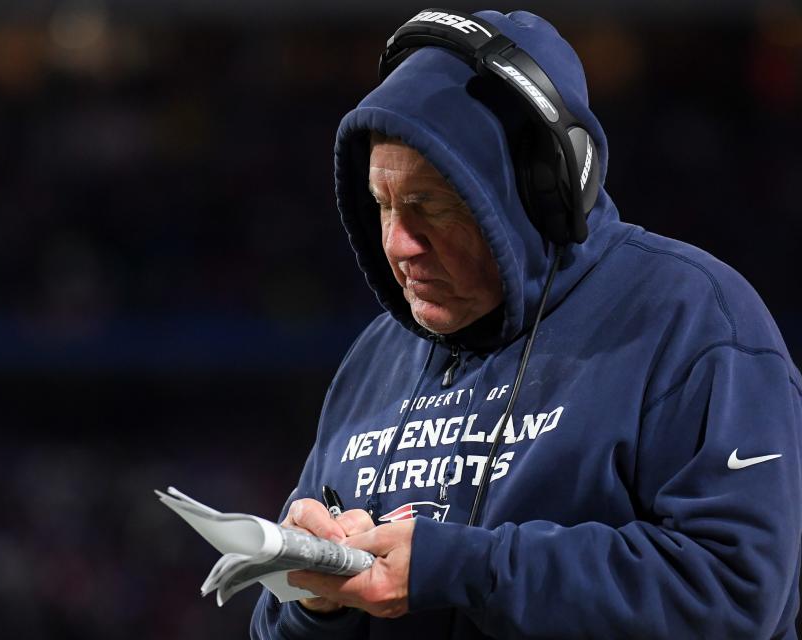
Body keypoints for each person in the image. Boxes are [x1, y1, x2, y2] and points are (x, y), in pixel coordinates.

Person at [250, 9, 802, 639]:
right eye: (383, 207)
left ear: (541, 190)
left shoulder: (691, 317)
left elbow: (731, 594)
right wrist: (314, 602)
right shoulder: (375, 358)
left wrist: (462, 567)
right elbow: (275, 629)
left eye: (430, 206)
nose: (398, 244)